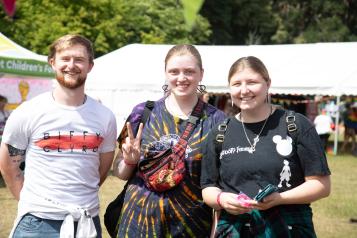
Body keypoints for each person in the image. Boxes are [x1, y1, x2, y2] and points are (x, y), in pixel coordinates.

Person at [0, 34, 117, 238]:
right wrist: (32, 203)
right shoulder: (28, 112)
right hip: (37, 223)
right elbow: (8, 165)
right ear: (53, 63)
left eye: (79, 59)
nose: (71, 65)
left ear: (90, 66)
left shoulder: (105, 116)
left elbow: (101, 170)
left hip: (86, 221)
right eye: (65, 58)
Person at [201, 56, 331, 237]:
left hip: (288, 228)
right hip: (234, 229)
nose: (244, 90)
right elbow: (208, 187)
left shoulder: (296, 124)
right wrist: (221, 199)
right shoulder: (219, 132)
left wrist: (280, 198)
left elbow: (321, 185)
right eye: (237, 84)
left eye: (252, 82)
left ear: (268, 83)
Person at [112, 44, 225, 237]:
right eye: (174, 71)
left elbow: (219, 184)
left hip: (190, 228)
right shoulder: (144, 113)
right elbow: (120, 172)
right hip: (137, 225)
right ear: (165, 73)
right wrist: (130, 160)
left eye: (189, 71)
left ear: (201, 74)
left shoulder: (217, 121)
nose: (181, 78)